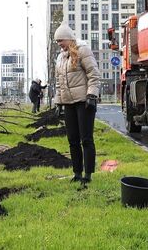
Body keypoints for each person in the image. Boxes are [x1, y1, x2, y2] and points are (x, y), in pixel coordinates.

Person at [52, 22, 101, 186]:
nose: (59, 44)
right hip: (68, 104)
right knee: (72, 140)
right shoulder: (60, 57)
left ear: (68, 38)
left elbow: (93, 74)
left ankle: (88, 174)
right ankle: (77, 173)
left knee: (86, 139)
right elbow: (59, 82)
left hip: (84, 102)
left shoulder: (83, 50)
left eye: (61, 41)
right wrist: (58, 103)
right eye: (57, 42)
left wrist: (92, 95)